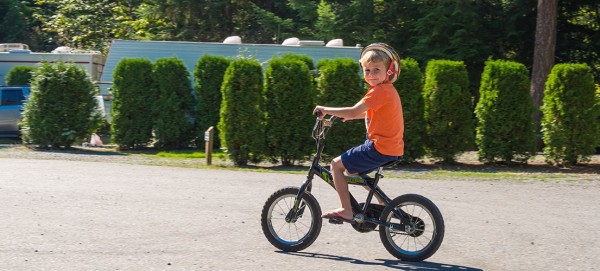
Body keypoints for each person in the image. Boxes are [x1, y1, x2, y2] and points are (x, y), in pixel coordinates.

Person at [313, 43, 404, 223]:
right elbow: (366, 112)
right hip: (390, 148)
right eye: (367, 70)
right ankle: (383, 204)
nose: (371, 74)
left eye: (376, 69)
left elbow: (354, 110)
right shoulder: (387, 91)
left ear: (389, 70)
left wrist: (326, 109)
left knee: (335, 166)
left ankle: (346, 210)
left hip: (378, 147)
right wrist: (349, 117)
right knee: (353, 172)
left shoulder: (379, 91)